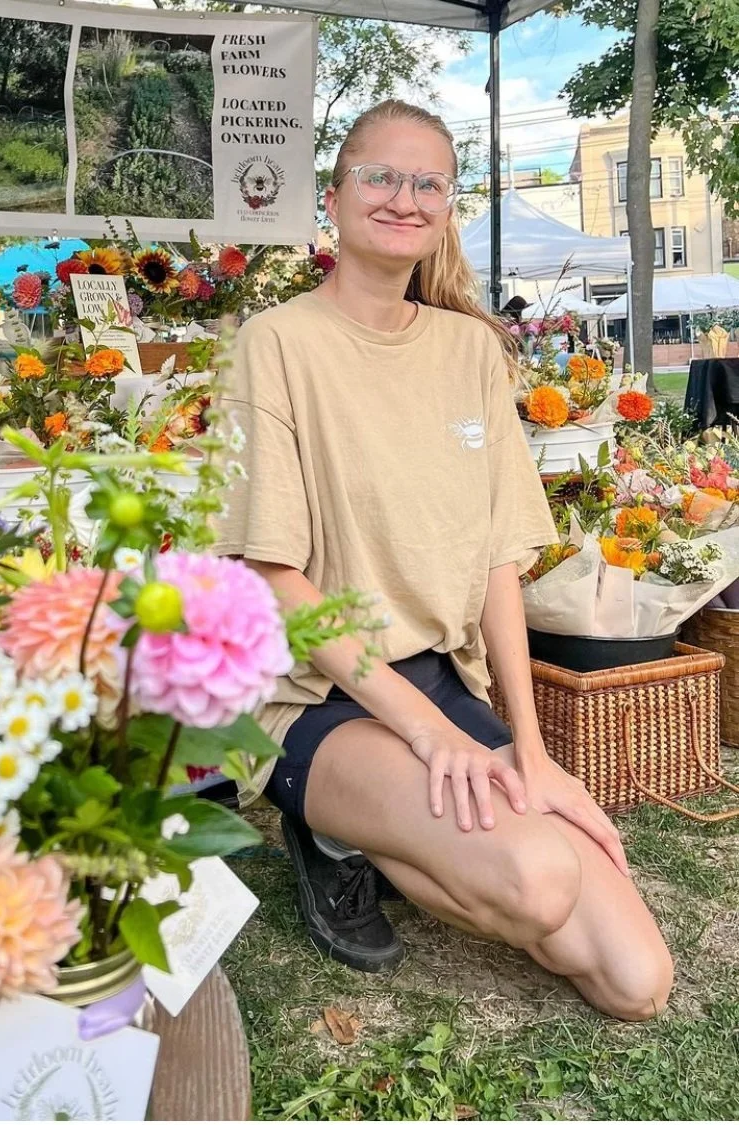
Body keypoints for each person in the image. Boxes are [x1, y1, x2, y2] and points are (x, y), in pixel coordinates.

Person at [216, 99, 673, 1021]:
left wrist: (529, 751)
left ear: (447, 207)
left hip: (439, 680)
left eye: (428, 182)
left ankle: (386, 823)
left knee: (635, 982)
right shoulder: (278, 343)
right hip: (318, 695)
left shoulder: (471, 350)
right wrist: (430, 738)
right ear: (335, 198)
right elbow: (272, 576)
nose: (403, 198)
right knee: (538, 880)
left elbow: (500, 561)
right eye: (379, 176)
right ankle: (329, 831)